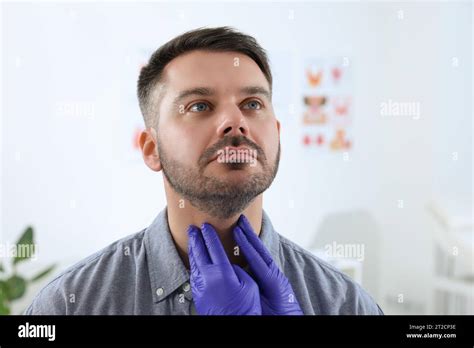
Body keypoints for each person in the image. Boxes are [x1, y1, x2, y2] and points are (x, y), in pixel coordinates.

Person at [24, 26, 383, 315]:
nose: (234, 121)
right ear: (152, 149)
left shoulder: (347, 305)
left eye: (252, 103)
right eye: (200, 105)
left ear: (277, 137)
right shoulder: (69, 305)